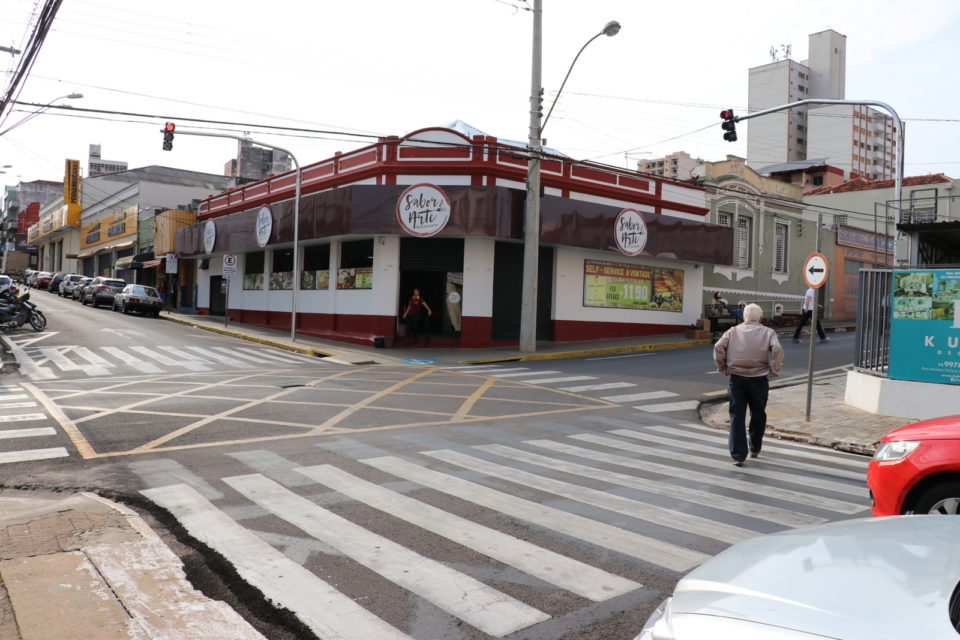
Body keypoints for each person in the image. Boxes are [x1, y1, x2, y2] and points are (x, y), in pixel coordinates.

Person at [713, 303, 784, 466]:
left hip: (736, 378)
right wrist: (773, 370)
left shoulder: (733, 331)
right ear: (760, 318)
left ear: (745, 317)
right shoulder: (768, 332)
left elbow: (718, 347)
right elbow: (777, 350)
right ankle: (755, 447)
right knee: (758, 413)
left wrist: (722, 367)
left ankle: (738, 455)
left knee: (737, 415)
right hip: (759, 379)